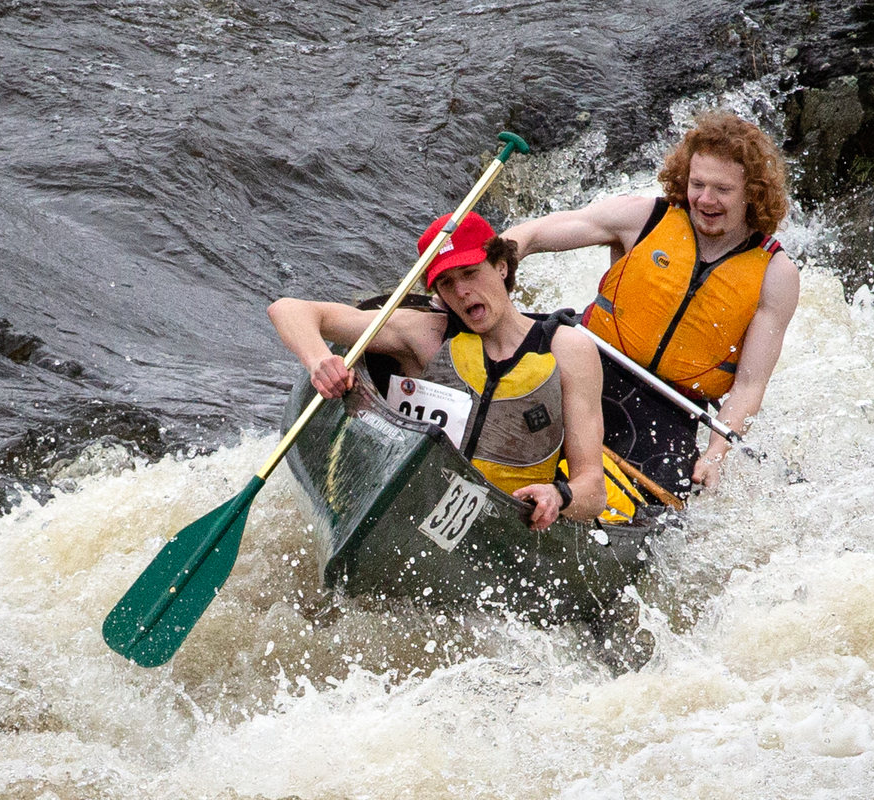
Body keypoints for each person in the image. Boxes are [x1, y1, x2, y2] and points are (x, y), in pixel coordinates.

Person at [503, 110, 800, 497]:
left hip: (667, 412)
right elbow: (536, 234)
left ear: (752, 193)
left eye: (722, 190)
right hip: (586, 361)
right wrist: (497, 258)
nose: (705, 200)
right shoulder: (643, 217)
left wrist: (714, 454)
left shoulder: (776, 274)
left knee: (658, 500)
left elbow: (748, 386)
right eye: (697, 184)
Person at [267, 211, 608, 531]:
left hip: (510, 528)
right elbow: (288, 309)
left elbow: (593, 491)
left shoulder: (568, 351)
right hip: (416, 515)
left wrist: (557, 497)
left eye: (471, 273)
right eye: (446, 283)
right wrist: (317, 360)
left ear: (501, 266)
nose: (461, 292)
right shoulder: (424, 335)